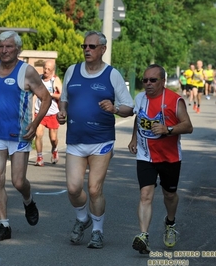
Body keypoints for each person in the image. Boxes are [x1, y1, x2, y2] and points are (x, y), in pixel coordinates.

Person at [0, 31, 51, 241]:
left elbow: (46, 98)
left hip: (20, 133)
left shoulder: (27, 72)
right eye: (1, 47)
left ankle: (28, 200)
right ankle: (3, 225)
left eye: (9, 47)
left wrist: (35, 124)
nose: (4, 51)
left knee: (17, 181)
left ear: (18, 49)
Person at [57, 31, 134, 249]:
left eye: (92, 46)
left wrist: (115, 108)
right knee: (73, 189)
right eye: (84, 46)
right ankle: (83, 219)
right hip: (75, 139)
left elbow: (129, 108)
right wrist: (62, 113)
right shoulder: (72, 71)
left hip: (101, 140)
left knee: (94, 189)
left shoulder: (112, 74)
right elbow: (64, 100)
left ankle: (98, 232)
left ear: (103, 49)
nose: (87, 50)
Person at [128, 64, 193, 254]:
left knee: (169, 195)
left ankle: (170, 223)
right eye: (145, 80)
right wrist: (134, 137)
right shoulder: (140, 98)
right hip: (145, 155)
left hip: (169, 157)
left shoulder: (174, 100)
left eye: (153, 80)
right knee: (145, 195)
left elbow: (188, 126)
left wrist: (168, 129)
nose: (148, 84)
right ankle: (143, 236)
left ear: (163, 81)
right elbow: (138, 118)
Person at [34, 60, 62, 166]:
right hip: (40, 112)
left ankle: (55, 150)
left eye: (48, 69)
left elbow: (61, 95)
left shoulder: (55, 80)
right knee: (38, 134)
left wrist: (50, 94)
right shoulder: (38, 79)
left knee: (53, 138)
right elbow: (33, 95)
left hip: (52, 113)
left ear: (53, 70)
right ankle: (39, 157)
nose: (46, 71)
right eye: (44, 68)